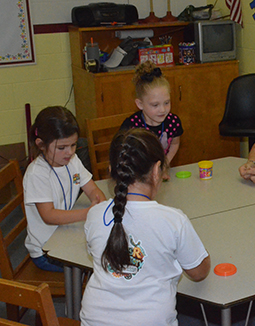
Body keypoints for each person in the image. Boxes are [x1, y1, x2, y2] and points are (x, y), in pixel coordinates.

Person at [80, 129, 210, 326]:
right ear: (157, 171)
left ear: (110, 171)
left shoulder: (95, 215)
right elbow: (199, 272)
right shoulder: (173, 220)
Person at [24, 106, 106, 272]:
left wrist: (100, 203)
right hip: (46, 251)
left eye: (73, 145)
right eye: (61, 148)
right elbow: (49, 215)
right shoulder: (37, 174)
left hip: (64, 234)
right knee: (100, 265)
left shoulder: (72, 160)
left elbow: (92, 189)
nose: (69, 152)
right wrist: (88, 213)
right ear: (41, 144)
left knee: (106, 253)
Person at [120, 60, 183, 164]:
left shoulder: (173, 122)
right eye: (155, 105)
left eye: (166, 103)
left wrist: (165, 164)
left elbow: (175, 143)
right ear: (140, 104)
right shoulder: (130, 127)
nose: (163, 110)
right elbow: (121, 156)